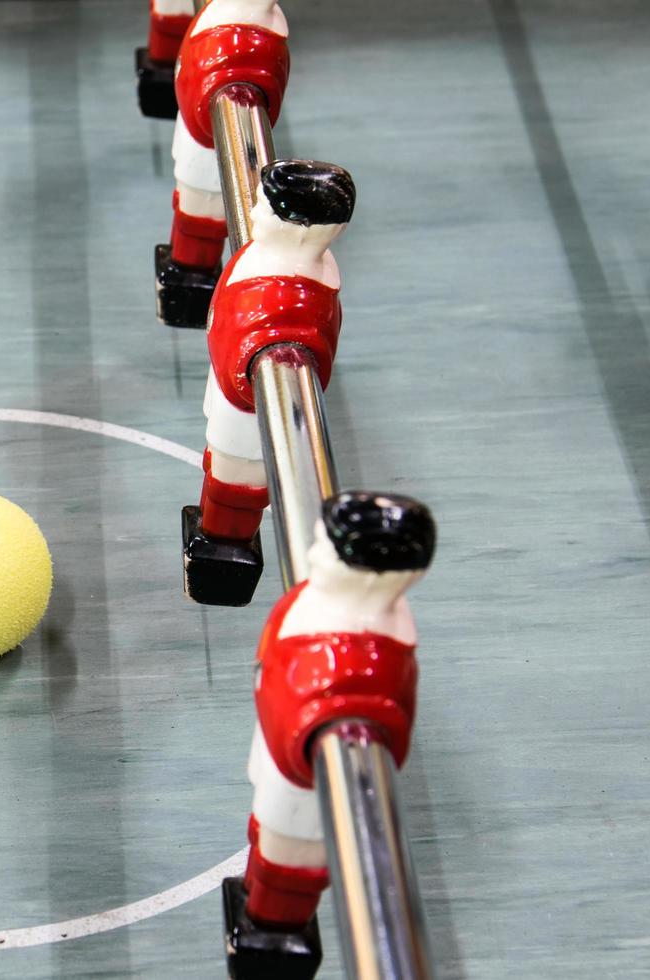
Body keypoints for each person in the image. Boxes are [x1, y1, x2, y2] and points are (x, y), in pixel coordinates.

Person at [224, 491, 434, 977]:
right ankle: (257, 898)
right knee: (267, 830)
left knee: (289, 855)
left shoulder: (365, 658)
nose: (314, 555)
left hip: (306, 772)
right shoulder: (330, 600)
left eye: (329, 550)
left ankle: (270, 931)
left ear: (381, 578)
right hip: (279, 745)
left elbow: (357, 708)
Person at [184, 159, 352, 605]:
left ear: (301, 230)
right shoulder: (274, 254)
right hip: (227, 378)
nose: (253, 211)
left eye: (265, 206)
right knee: (219, 458)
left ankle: (224, 550)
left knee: (236, 478)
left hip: (247, 403)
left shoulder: (290, 299)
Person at [156, 0, 288, 327]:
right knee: (199, 218)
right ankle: (189, 282)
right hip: (202, 143)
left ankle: (190, 280)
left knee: (201, 216)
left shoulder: (250, 25)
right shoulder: (229, 29)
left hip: (201, 137)